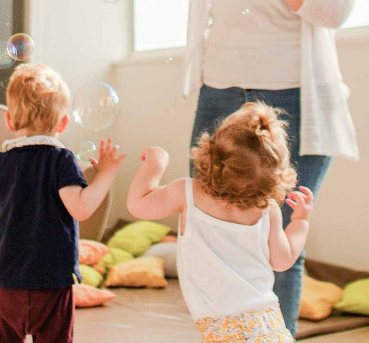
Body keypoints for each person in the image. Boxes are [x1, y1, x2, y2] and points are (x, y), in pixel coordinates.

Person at [142, 0, 358, 334]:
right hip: (222, 93)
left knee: (277, 233)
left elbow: (334, 10)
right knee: (208, 224)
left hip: (297, 103)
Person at [126, 102, 313, 342]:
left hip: (225, 331)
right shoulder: (268, 210)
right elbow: (283, 260)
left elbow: (138, 204)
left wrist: (154, 166)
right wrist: (300, 221)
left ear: (210, 155)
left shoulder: (187, 192)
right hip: (269, 325)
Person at [0, 63, 125, 343]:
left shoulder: (0, 161)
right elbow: (81, 208)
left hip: (8, 281)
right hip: (52, 283)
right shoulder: (60, 160)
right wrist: (106, 175)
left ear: (9, 120)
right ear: (62, 123)